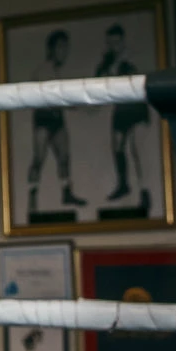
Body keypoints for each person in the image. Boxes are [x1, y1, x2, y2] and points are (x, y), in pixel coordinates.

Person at [26, 29, 83, 212]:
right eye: (60, 47)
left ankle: (67, 192)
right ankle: (32, 195)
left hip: (57, 119)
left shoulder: (58, 71)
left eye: (66, 47)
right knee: (39, 159)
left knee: (64, 157)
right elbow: (46, 98)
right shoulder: (43, 70)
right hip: (44, 119)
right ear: (52, 49)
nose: (64, 51)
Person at [93, 23, 149, 206]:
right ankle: (123, 184)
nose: (113, 47)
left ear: (122, 41)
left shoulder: (131, 59)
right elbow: (99, 82)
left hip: (136, 109)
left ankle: (144, 190)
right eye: (110, 43)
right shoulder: (108, 61)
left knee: (136, 149)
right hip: (121, 110)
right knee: (117, 147)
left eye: (116, 43)